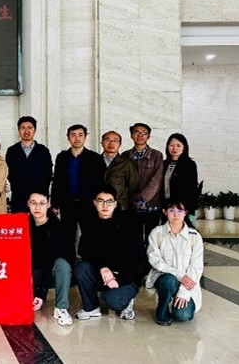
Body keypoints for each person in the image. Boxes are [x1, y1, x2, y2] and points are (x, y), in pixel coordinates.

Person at [73, 185, 146, 321]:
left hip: (125, 276)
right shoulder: (90, 223)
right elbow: (84, 250)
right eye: (101, 201)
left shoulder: (128, 223)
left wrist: (120, 280)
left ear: (115, 203)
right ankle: (91, 307)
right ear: (95, 203)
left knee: (114, 301)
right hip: (102, 273)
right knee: (81, 268)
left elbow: (140, 260)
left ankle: (126, 301)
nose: (105, 205)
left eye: (109, 201)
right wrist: (102, 267)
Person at [50, 124, 105, 261]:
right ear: (68, 138)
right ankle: (69, 266)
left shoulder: (94, 158)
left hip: (88, 204)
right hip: (67, 203)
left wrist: (98, 203)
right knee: (67, 236)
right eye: (73, 135)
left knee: (89, 235)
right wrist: (55, 203)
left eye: (80, 135)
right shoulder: (62, 157)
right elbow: (57, 181)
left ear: (85, 137)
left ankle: (87, 265)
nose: (77, 138)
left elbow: (100, 183)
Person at [146, 199, 204, 326]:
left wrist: (184, 292)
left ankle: (178, 298)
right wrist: (179, 276)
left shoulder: (194, 236)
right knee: (168, 280)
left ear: (185, 213)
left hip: (188, 282)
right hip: (164, 277)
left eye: (180, 210)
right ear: (165, 212)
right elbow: (155, 260)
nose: (176, 214)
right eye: (171, 210)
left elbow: (196, 266)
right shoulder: (157, 233)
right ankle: (162, 311)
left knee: (183, 315)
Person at [28, 190, 73, 326]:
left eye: (42, 203)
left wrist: (42, 293)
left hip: (49, 272)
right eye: (33, 203)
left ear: (48, 205)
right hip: (29, 274)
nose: (37, 207)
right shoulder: (23, 224)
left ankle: (61, 307)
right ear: (28, 204)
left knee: (62, 264)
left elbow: (49, 261)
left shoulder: (57, 228)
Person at [121, 123, 163, 244]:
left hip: (152, 205)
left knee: (152, 240)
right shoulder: (125, 155)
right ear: (131, 135)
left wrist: (142, 198)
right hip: (132, 205)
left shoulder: (156, 155)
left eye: (144, 133)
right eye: (137, 132)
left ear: (148, 136)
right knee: (135, 240)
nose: (140, 135)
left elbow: (157, 180)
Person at [6, 116, 53, 213]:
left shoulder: (43, 151)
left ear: (34, 130)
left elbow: (48, 174)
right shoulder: (12, 151)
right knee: (20, 221)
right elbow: (10, 173)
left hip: (39, 197)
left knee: (38, 222)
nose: (26, 131)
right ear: (19, 131)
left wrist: (43, 193)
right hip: (18, 197)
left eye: (30, 128)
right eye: (23, 128)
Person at [162, 133, 199, 219]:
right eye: (171, 145)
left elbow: (192, 188)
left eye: (178, 145)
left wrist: (190, 209)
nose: (174, 148)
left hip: (183, 207)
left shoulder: (189, 165)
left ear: (184, 148)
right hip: (166, 207)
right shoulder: (163, 164)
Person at [101, 130, 139, 211]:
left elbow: (133, 187)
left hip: (119, 207)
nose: (111, 143)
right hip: (98, 206)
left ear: (120, 144)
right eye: (107, 140)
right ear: (102, 143)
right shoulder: (94, 161)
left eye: (115, 141)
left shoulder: (126, 163)